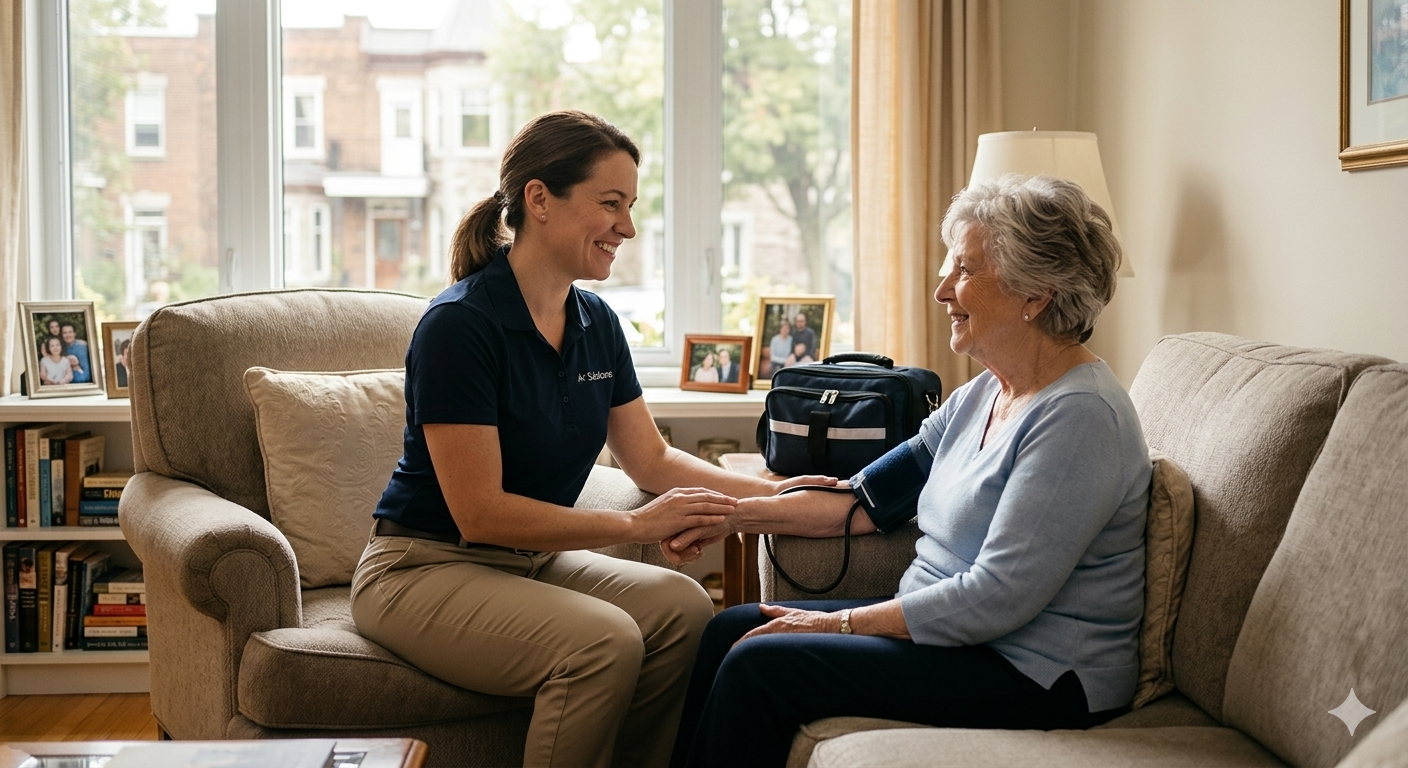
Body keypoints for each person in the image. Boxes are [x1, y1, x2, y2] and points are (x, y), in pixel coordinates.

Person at [350, 110, 833, 768]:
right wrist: (637, 520)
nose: (627, 227)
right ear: (539, 199)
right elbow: (479, 512)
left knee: (684, 607)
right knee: (602, 641)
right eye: (611, 204)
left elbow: (650, 457)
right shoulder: (460, 326)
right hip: (421, 568)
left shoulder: (595, 321)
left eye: (630, 206)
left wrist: (775, 495)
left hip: (529, 562)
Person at [666, 174, 1150, 768]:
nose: (943, 289)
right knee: (728, 629)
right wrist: (730, 516)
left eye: (966, 271)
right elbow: (864, 501)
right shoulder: (981, 397)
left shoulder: (1080, 417)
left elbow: (997, 599)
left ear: (1036, 295)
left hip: (1035, 671)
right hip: (958, 641)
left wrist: (840, 624)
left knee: (758, 664)